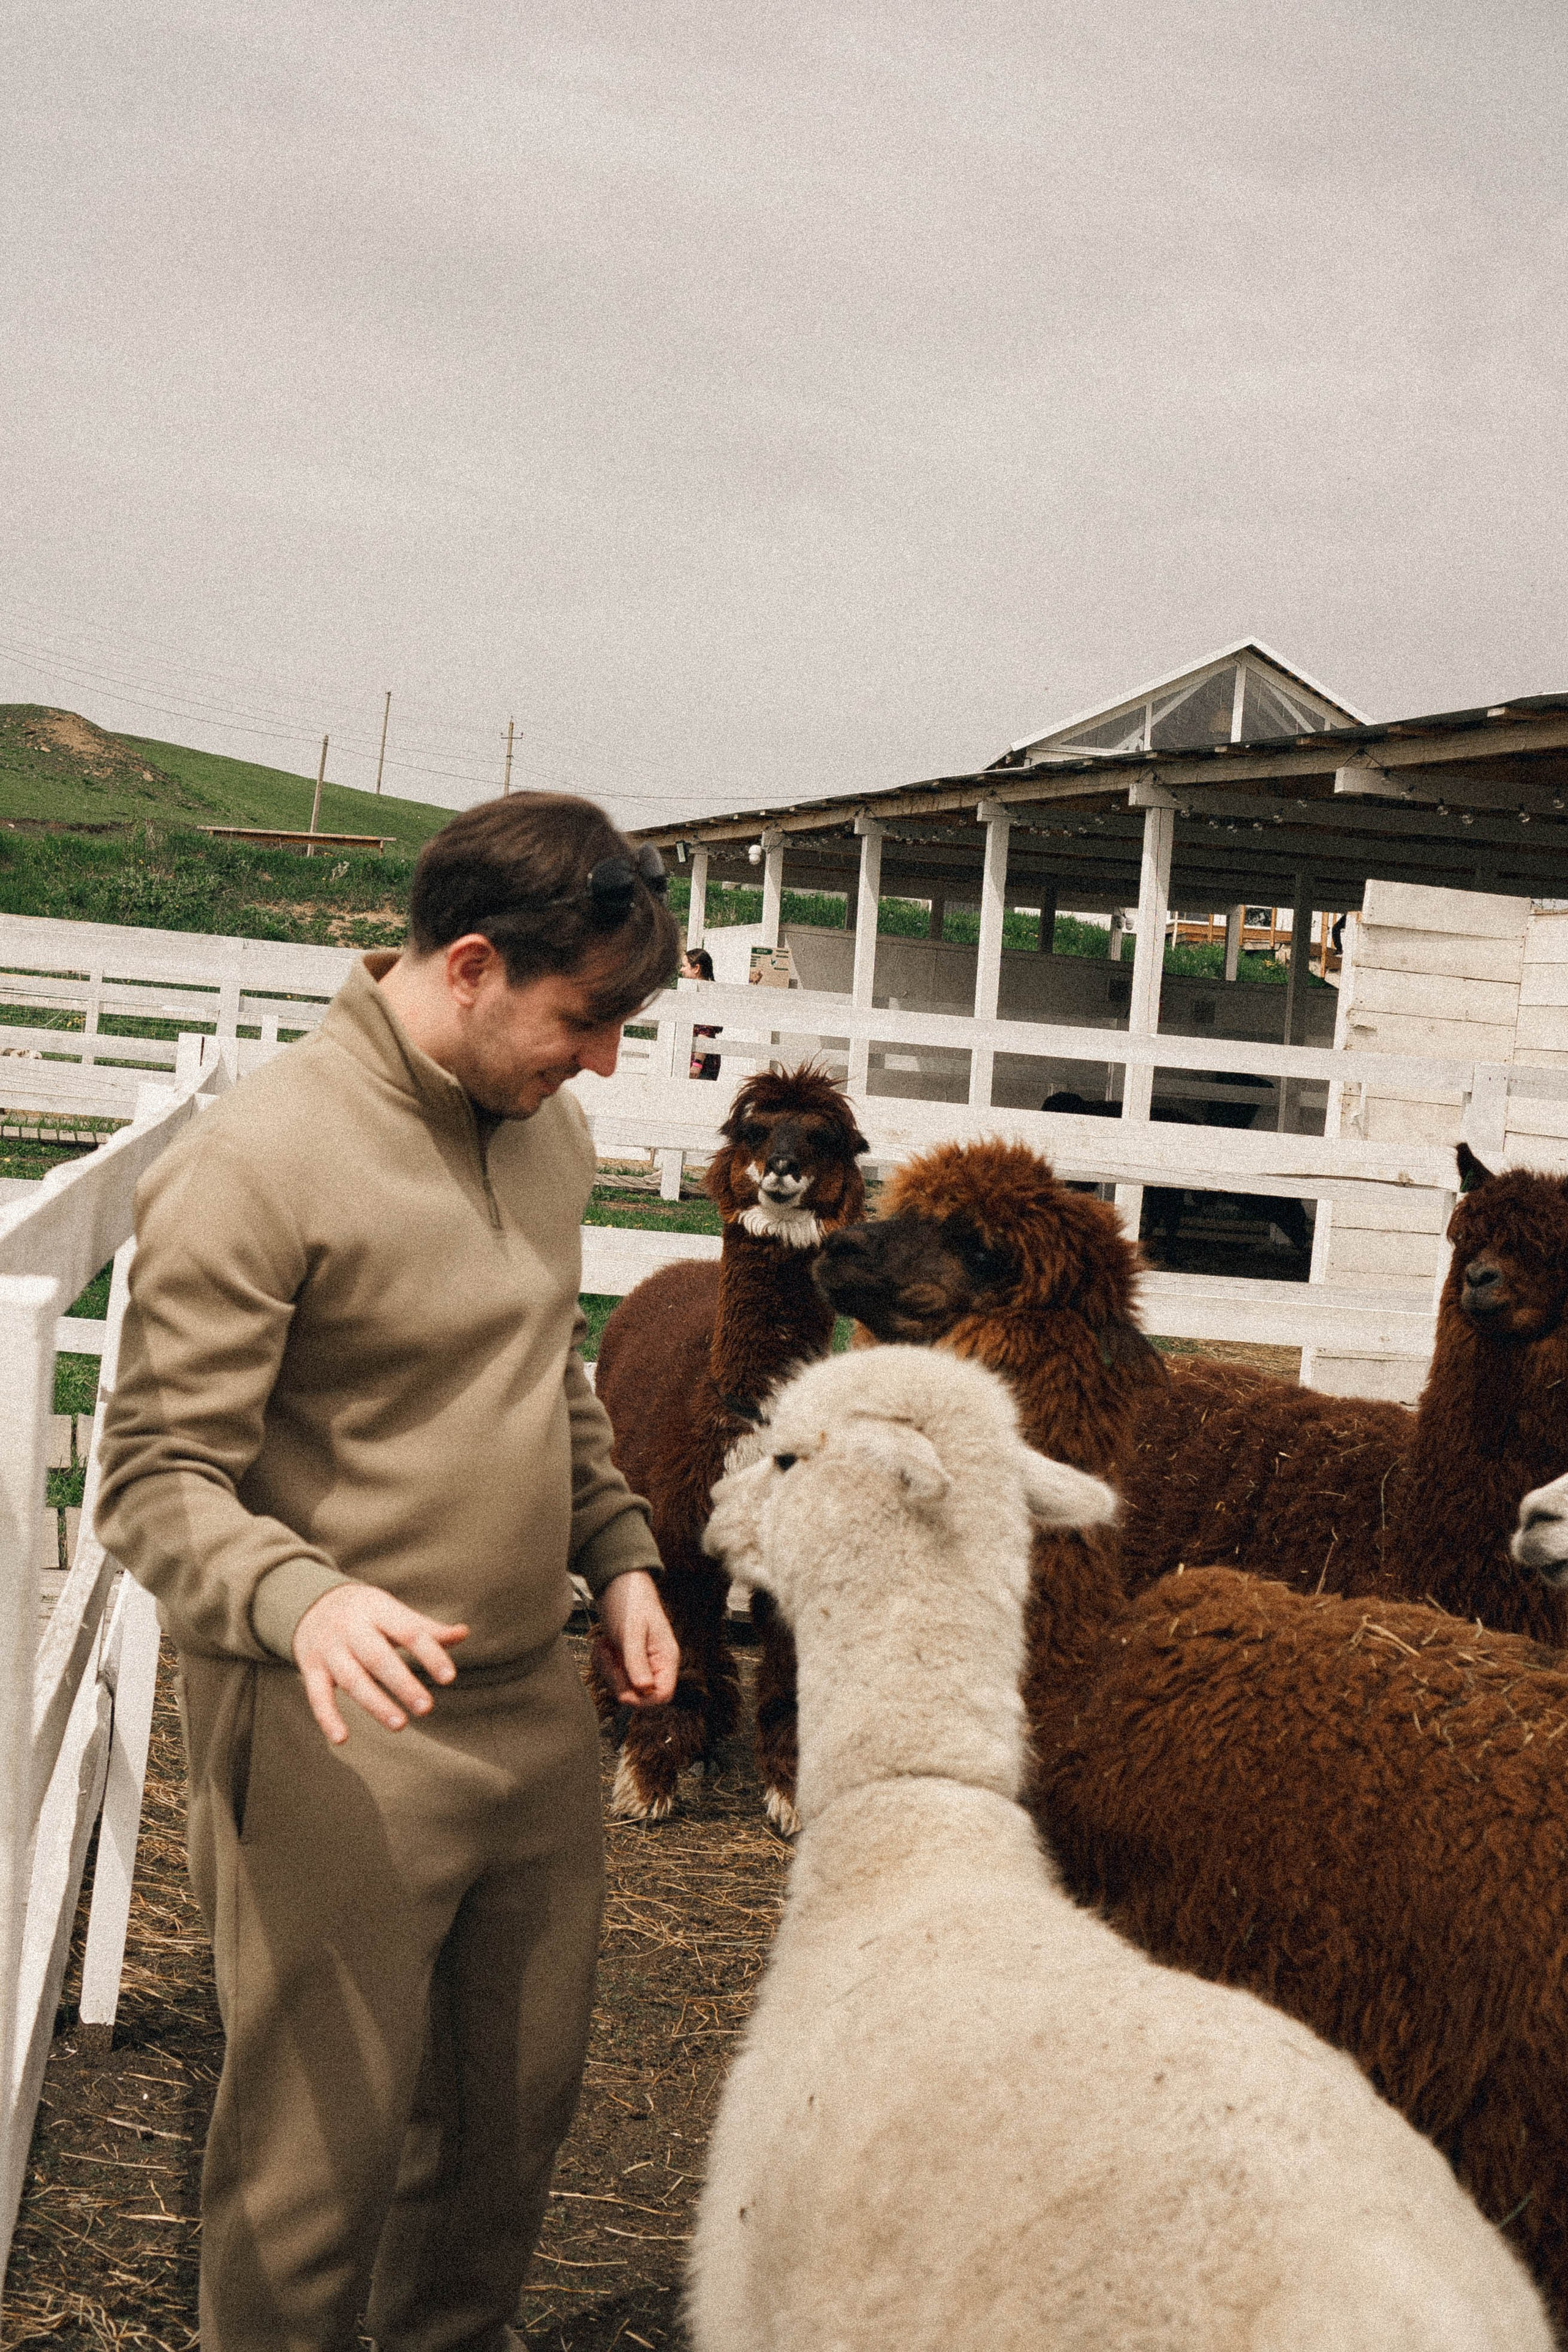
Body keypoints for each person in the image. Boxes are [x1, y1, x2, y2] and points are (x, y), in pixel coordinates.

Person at [96, 793, 682, 2352]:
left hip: (530, 1713)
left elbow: (538, 1367)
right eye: (590, 1018)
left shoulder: (544, 1131)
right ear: (475, 965)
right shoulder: (262, 1162)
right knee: (314, 2173)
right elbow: (151, 1479)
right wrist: (307, 1596)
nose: (607, 1060)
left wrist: (615, 1550)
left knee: (502, 2143)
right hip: (335, 1728)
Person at [681, 942, 722, 1078]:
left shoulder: (705, 995)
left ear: (696, 968)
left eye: (685, 966)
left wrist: (697, 1064)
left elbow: (705, 1030)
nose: (682, 970)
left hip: (702, 1064)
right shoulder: (704, 993)